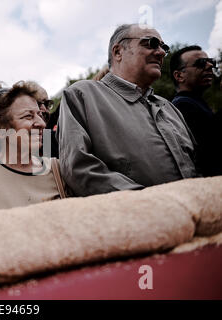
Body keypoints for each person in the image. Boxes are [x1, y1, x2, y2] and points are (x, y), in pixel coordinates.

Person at [57, 23, 198, 197]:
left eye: (164, 47)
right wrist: (149, 203)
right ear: (118, 52)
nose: (161, 52)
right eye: (151, 43)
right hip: (133, 220)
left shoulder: (169, 108)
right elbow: (77, 167)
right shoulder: (82, 94)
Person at [0, 81, 65, 213]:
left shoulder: (57, 169)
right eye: (28, 116)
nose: (41, 124)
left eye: (40, 115)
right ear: (0, 127)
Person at [170, 45, 222, 176]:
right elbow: (212, 152)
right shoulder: (182, 106)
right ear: (179, 76)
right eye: (201, 63)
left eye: (211, 61)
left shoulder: (194, 103)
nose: (210, 65)